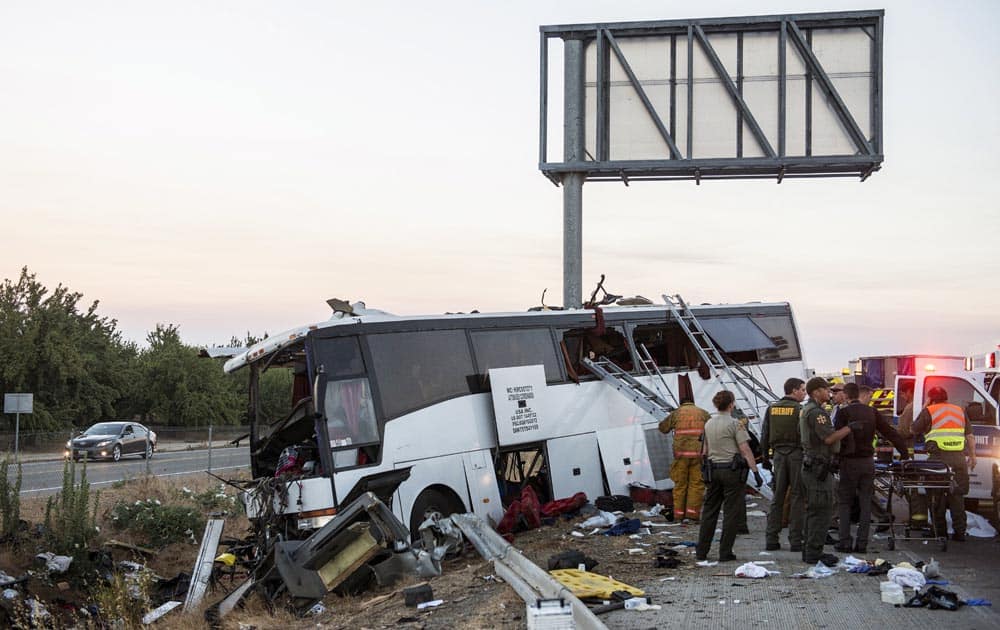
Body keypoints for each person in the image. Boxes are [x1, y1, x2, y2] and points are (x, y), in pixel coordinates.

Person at [833, 382, 909, 553]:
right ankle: (862, 543)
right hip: (867, 463)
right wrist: (904, 453)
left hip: (848, 463)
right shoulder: (872, 412)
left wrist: (834, 461)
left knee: (844, 502)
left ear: (846, 395)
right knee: (866, 501)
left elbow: (837, 438)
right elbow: (890, 432)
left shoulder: (843, 413)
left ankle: (845, 541)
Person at [696, 391, 763, 563]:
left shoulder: (708, 423)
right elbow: (745, 449)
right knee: (731, 513)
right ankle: (725, 552)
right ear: (731, 404)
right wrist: (755, 472)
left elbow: (704, 451)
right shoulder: (736, 424)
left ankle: (701, 552)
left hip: (712, 471)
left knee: (710, 511)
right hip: (731, 472)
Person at [912, 386, 976, 541]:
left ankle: (939, 532)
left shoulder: (930, 411)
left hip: (938, 461)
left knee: (936, 496)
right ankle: (960, 532)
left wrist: (925, 407)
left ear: (931, 398)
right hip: (959, 459)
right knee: (957, 495)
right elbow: (970, 436)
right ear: (946, 398)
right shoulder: (959, 411)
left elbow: (913, 429)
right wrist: (973, 456)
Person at [800, 377, 851, 565]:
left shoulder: (809, 409)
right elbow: (829, 439)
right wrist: (848, 429)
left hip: (814, 465)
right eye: (825, 390)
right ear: (815, 392)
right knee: (821, 510)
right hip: (817, 467)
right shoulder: (816, 413)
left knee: (815, 509)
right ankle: (814, 552)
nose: (828, 393)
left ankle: (810, 550)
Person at [761, 377, 807, 551]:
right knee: (797, 497)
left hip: (778, 456)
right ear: (794, 390)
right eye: (802, 390)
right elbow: (804, 435)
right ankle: (796, 540)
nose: (804, 393)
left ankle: (771, 539)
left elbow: (765, 433)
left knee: (777, 497)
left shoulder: (772, 409)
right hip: (796, 455)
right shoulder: (800, 410)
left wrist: (765, 457)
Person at [658, 397, 711, 522]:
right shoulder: (703, 413)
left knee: (680, 485)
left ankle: (678, 515)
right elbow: (712, 429)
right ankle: (692, 515)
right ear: (693, 401)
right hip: (699, 456)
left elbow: (663, 428)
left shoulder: (676, 413)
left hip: (681, 456)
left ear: (681, 402)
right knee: (696, 485)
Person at [895, 382, 928, 529]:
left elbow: (905, 431)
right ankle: (916, 519)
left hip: (909, 453)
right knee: (914, 488)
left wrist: (894, 433)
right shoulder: (916, 407)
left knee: (913, 488)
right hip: (913, 453)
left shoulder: (910, 408)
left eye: (903, 393)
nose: (902, 396)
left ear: (910, 391)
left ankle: (917, 521)